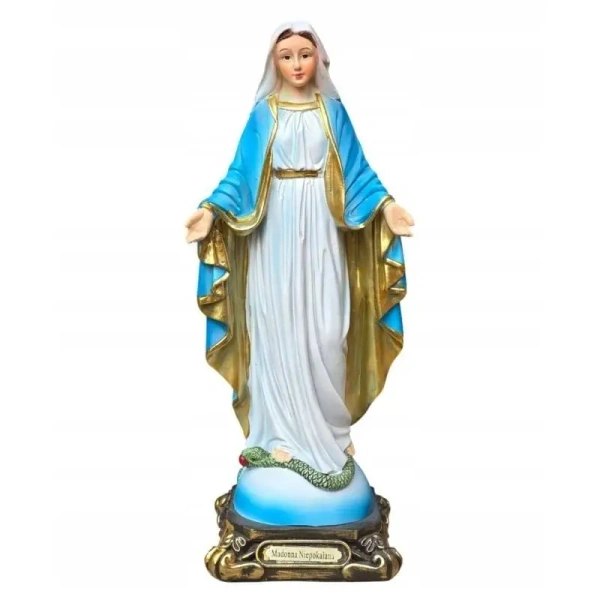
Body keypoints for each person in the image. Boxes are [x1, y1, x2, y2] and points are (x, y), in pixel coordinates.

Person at [185, 21, 413, 481]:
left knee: (328, 330)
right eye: (286, 56)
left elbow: (358, 171)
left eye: (304, 55)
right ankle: (278, 435)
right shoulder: (264, 115)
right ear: (274, 62)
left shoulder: (332, 112)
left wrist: (387, 206)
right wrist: (210, 210)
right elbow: (240, 175)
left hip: (323, 224)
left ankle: (330, 431)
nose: (296, 64)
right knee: (277, 327)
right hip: (275, 229)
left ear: (319, 58)